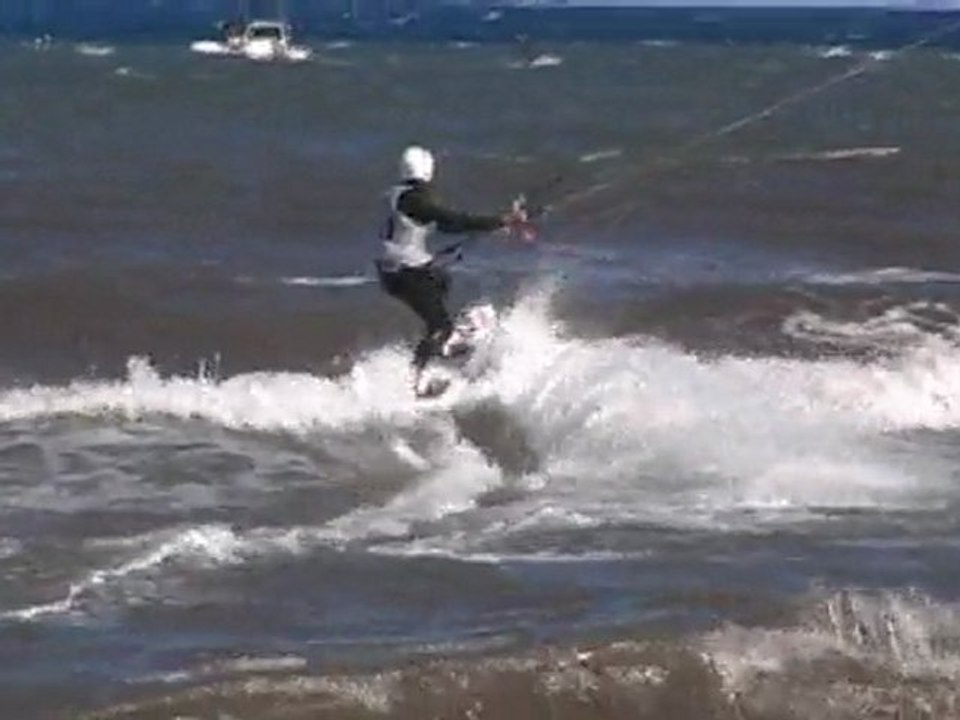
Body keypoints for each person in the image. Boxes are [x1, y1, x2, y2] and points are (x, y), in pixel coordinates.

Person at [376, 145, 530, 397]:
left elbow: (444, 225)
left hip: (396, 271)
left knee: (440, 282)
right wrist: (501, 220)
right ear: (428, 169)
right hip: (405, 272)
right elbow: (452, 220)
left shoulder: (400, 194)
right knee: (439, 326)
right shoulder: (416, 199)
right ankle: (415, 382)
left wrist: (493, 225)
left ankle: (444, 347)